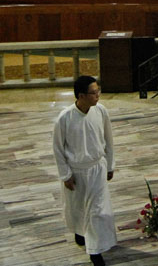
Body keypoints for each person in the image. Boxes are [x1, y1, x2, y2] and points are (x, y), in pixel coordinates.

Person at [54, 76, 117, 266]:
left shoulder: (101, 111)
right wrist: (65, 175)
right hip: (77, 171)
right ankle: (81, 233)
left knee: (97, 211)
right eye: (93, 92)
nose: (98, 95)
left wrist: (110, 164)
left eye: (98, 91)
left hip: (97, 168)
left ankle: (95, 250)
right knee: (78, 209)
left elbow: (109, 139)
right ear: (81, 96)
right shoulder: (65, 118)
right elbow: (57, 149)